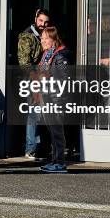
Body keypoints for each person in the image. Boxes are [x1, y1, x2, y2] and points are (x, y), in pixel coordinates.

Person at [38, 26, 73, 174]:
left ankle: (60, 163)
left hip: (56, 99)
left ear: (53, 39)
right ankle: (54, 160)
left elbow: (62, 80)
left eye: (46, 38)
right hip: (47, 97)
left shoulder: (60, 56)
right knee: (52, 131)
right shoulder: (47, 54)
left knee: (57, 132)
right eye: (42, 38)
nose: (42, 41)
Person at [17, 8, 51, 159]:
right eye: (41, 21)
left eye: (46, 22)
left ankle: (39, 147)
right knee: (34, 114)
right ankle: (30, 149)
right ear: (35, 18)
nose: (43, 24)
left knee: (41, 114)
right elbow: (24, 63)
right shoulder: (27, 36)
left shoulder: (43, 35)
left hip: (42, 79)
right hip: (32, 80)